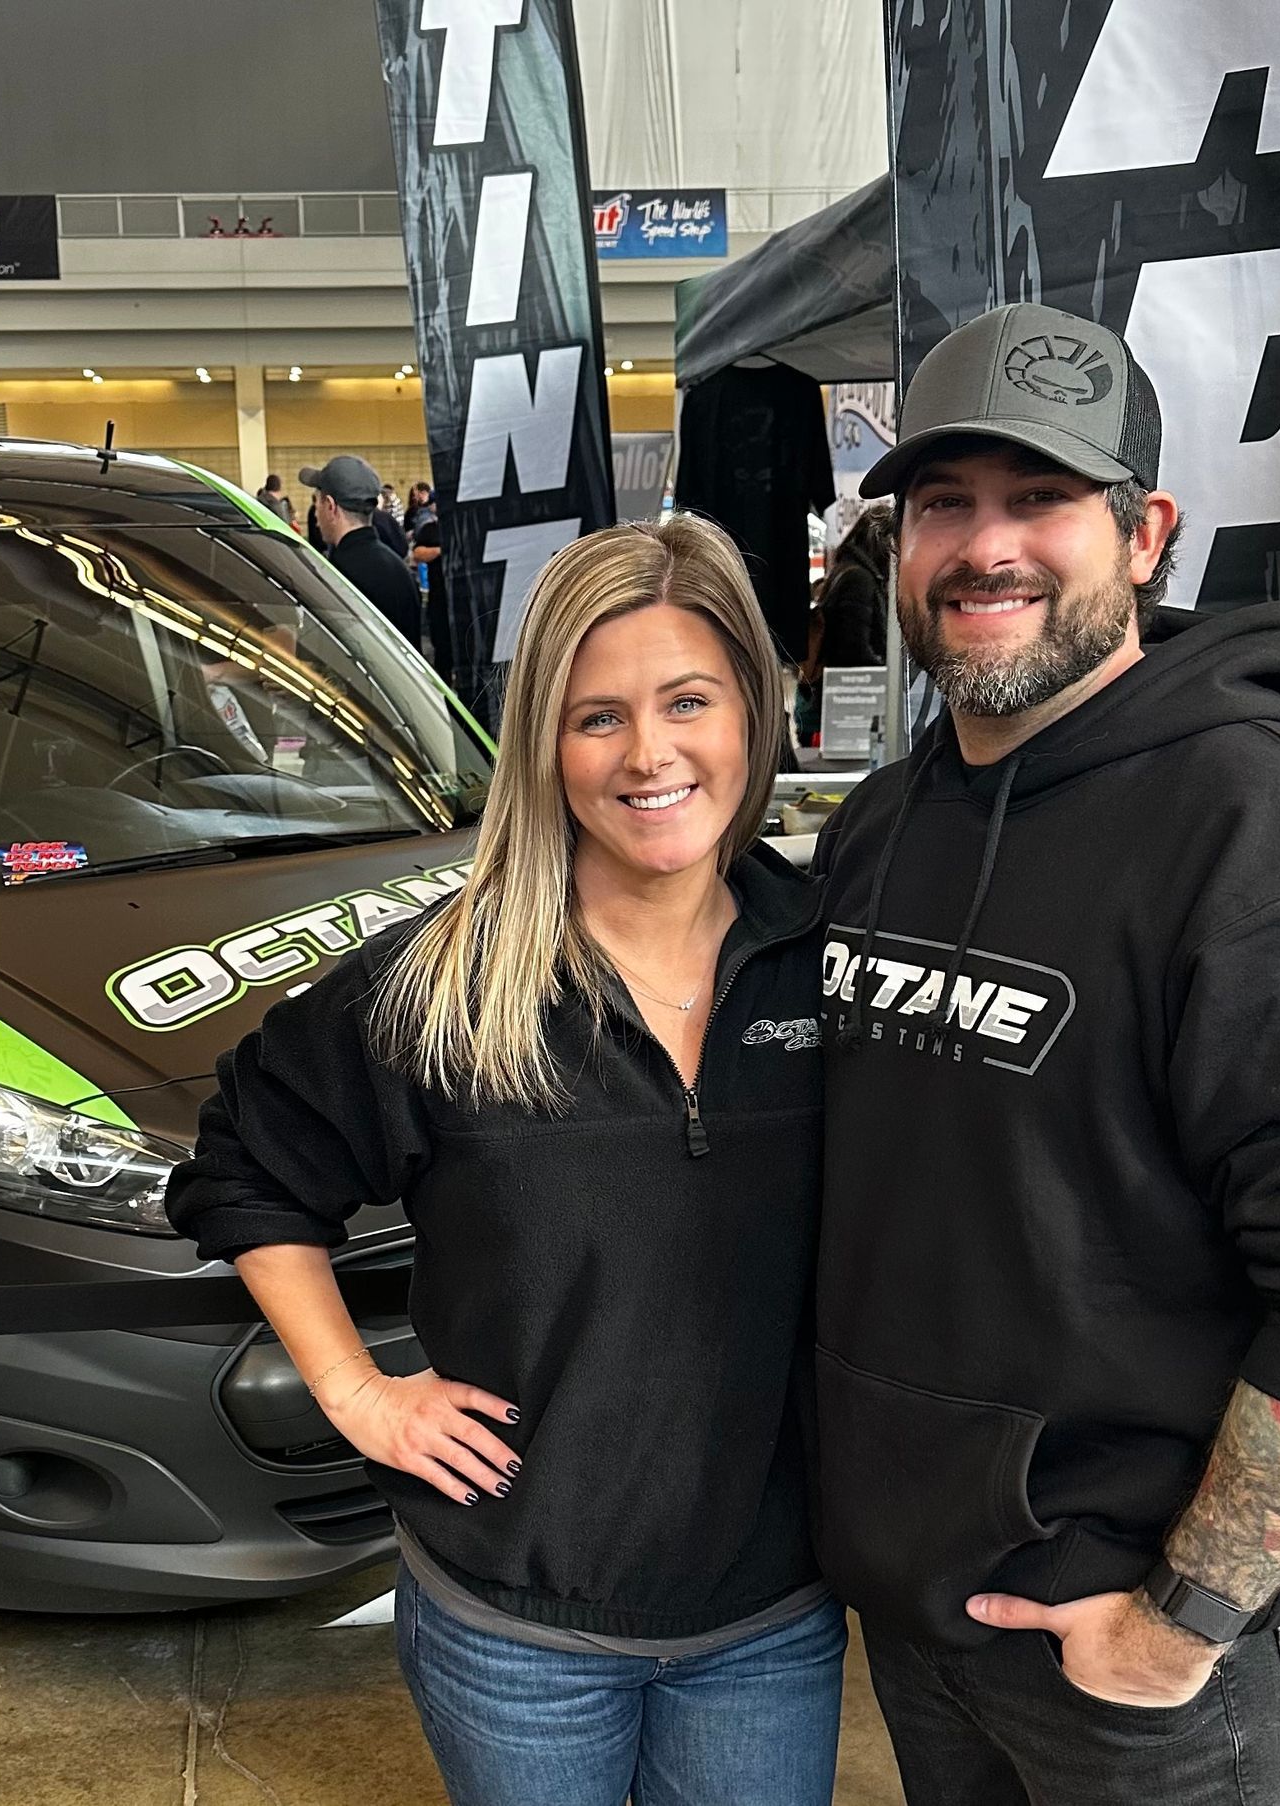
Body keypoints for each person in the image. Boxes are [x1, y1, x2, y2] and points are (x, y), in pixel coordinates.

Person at [809, 300, 1280, 1804]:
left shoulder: (1276, 840)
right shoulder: (887, 822)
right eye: (944, 504)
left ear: (1145, 535)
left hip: (1131, 1652)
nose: (986, 547)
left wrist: (1182, 1619)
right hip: (918, 1609)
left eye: (1040, 497)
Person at [165, 515, 845, 1806]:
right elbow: (245, 1164)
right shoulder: (444, 985)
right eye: (598, 718)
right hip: (516, 1633)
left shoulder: (837, 959)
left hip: (770, 1617)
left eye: (687, 701)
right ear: (543, 740)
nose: (648, 754)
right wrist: (357, 1392)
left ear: (756, 711)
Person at [796, 505, 891, 744]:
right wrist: (889, 674)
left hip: (829, 697)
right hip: (845, 701)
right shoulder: (859, 579)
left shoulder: (846, 571)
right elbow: (854, 649)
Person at [302, 455, 420, 647]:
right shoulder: (399, 569)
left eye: (317, 503)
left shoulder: (336, 577)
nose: (315, 514)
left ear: (331, 506)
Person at [409, 489, 453, 683]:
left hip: (461, 599)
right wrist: (441, 550)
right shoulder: (430, 529)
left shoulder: (463, 526)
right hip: (439, 597)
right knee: (441, 646)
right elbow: (418, 554)